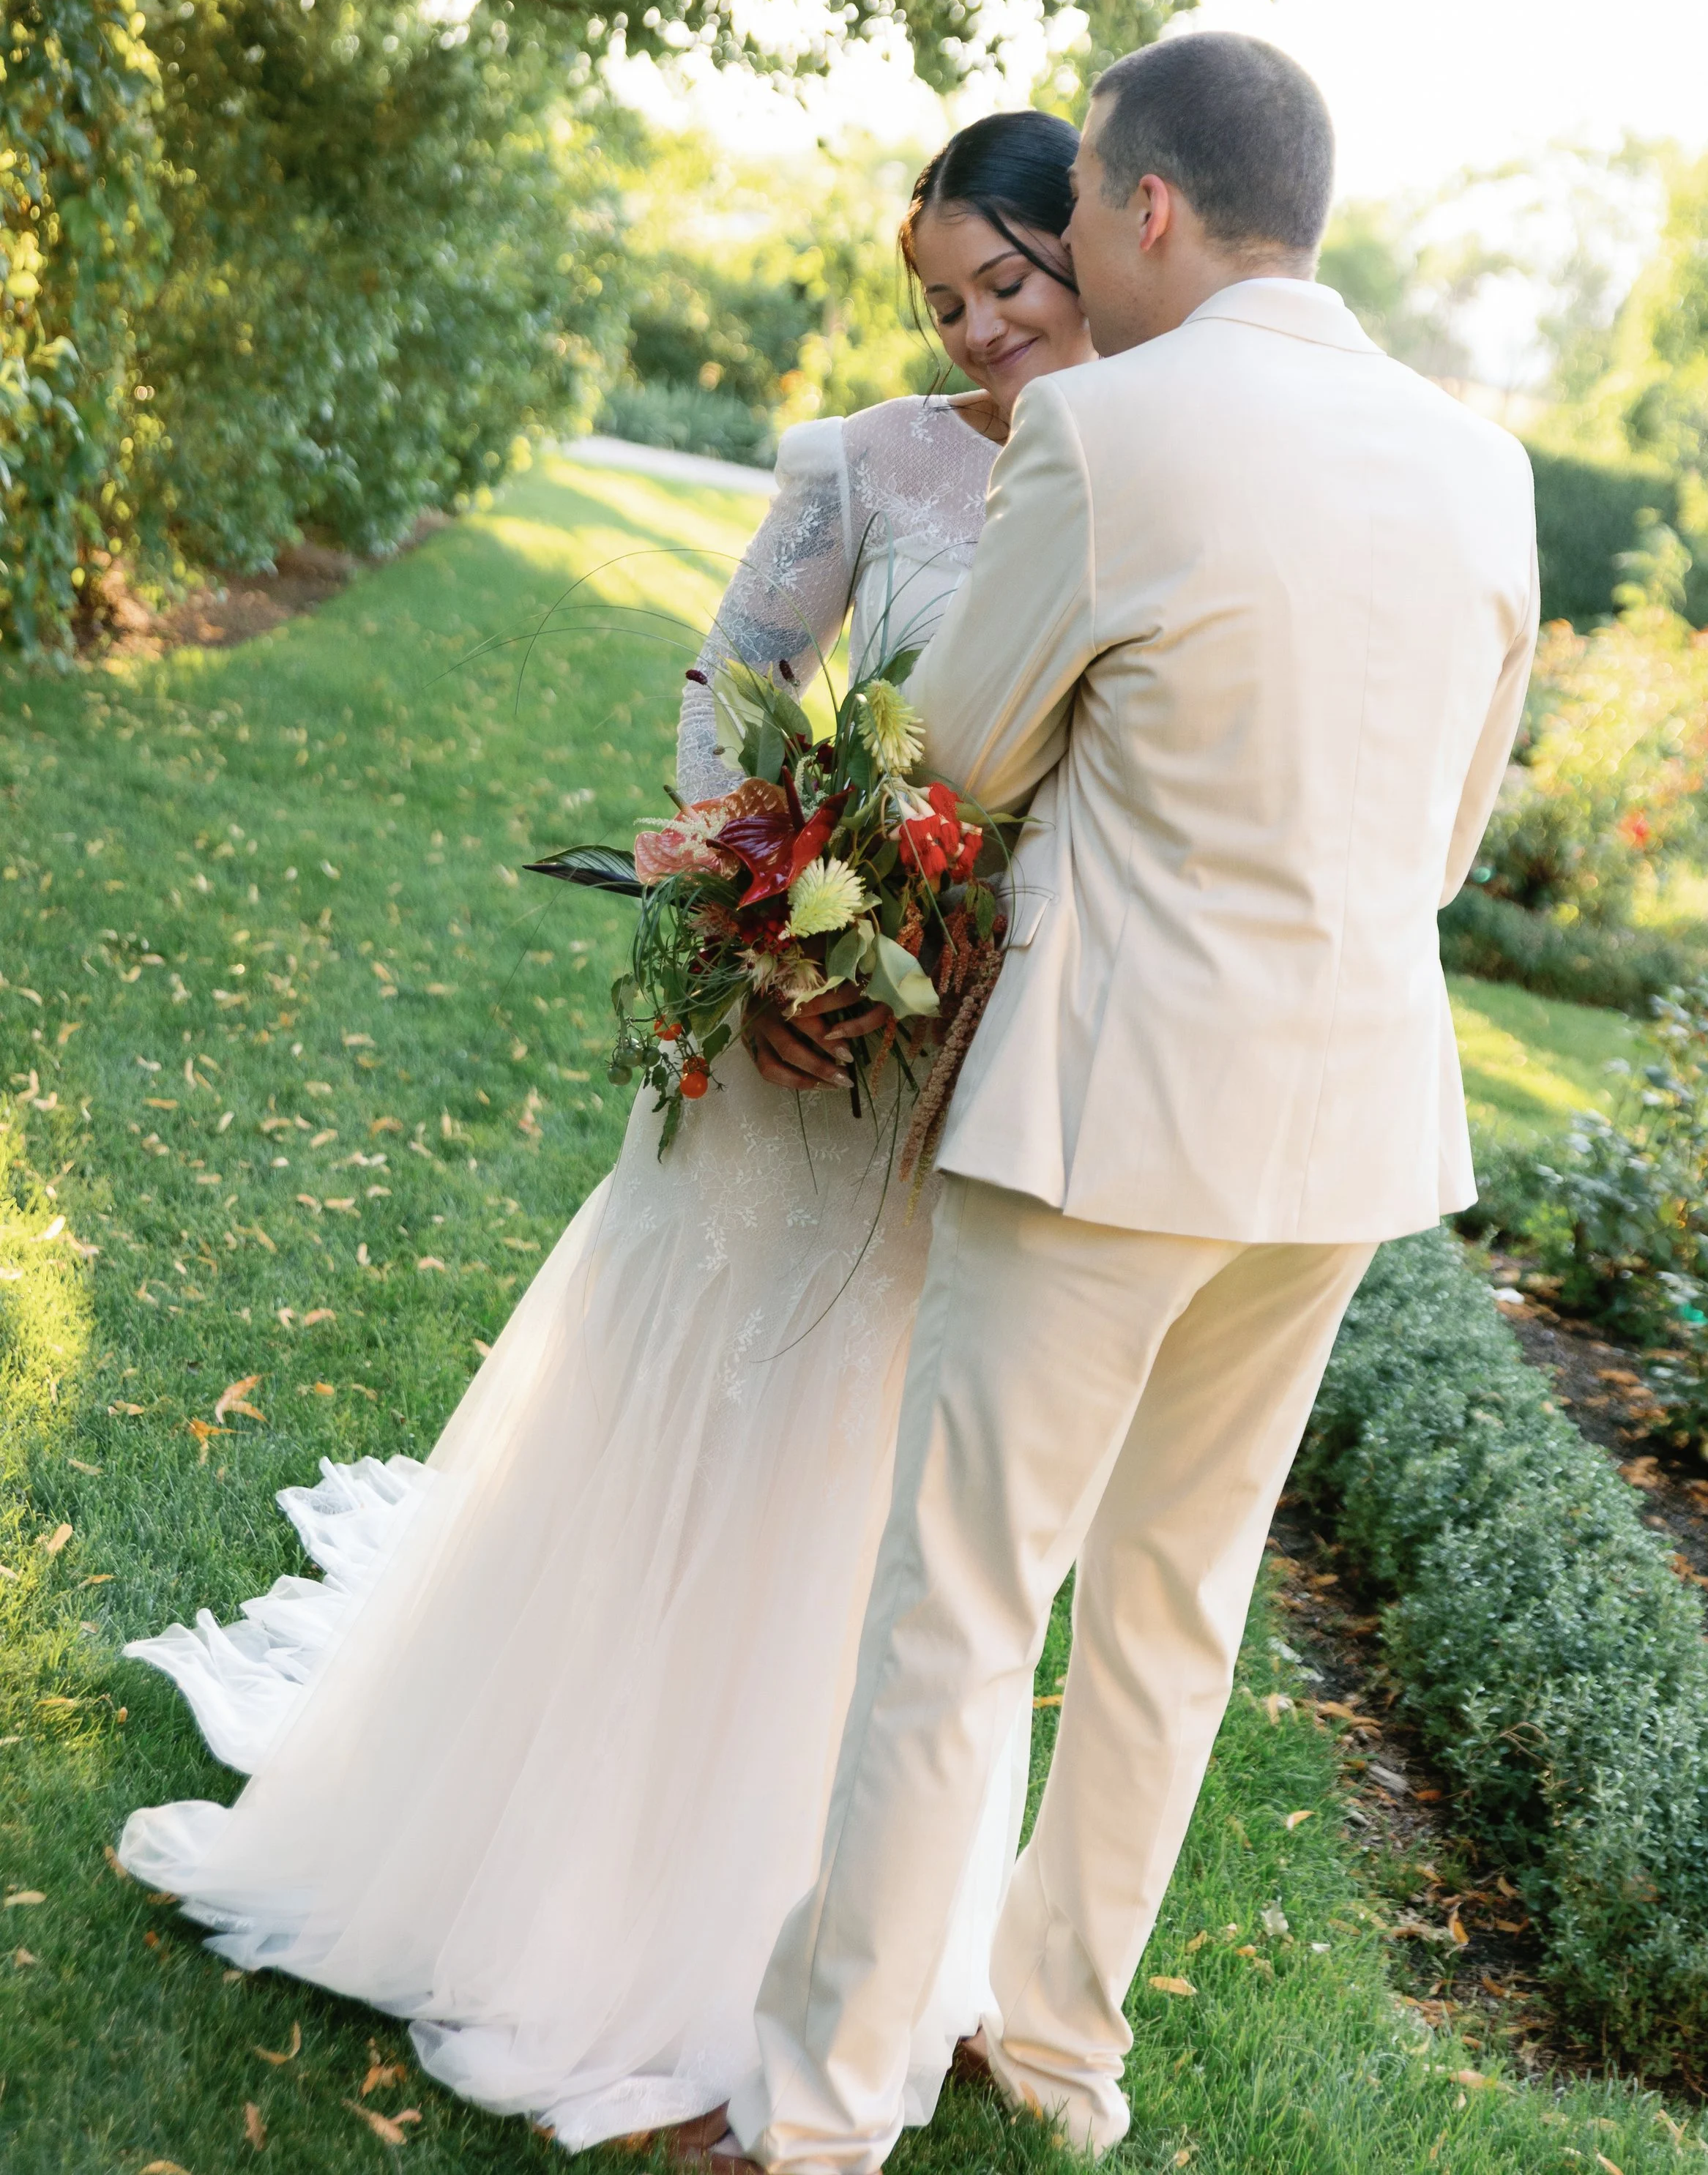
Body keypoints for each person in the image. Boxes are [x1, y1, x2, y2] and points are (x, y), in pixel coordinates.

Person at [114, 111, 1096, 2152]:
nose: (979, 326)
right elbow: (732, 680)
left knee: (879, 1480)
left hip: (981, 1060)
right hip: (805, 1031)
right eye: (945, 297)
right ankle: (554, 1871)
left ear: (1093, 239)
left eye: (1007, 278)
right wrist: (775, 893)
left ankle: (826, 1910)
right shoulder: (864, 462)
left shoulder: (1157, 483)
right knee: (693, 1407)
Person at [730, 32, 1540, 2175]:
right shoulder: (1483, 465)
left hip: (1110, 1104)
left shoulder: (1102, 427)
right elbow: (1447, 841)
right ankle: (1059, 2049)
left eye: (1077, 204)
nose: (1066, 244)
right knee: (1175, 1605)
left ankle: (812, 2117)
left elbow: (968, 759)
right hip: (1345, 1124)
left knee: (961, 1607)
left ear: (1150, 207)